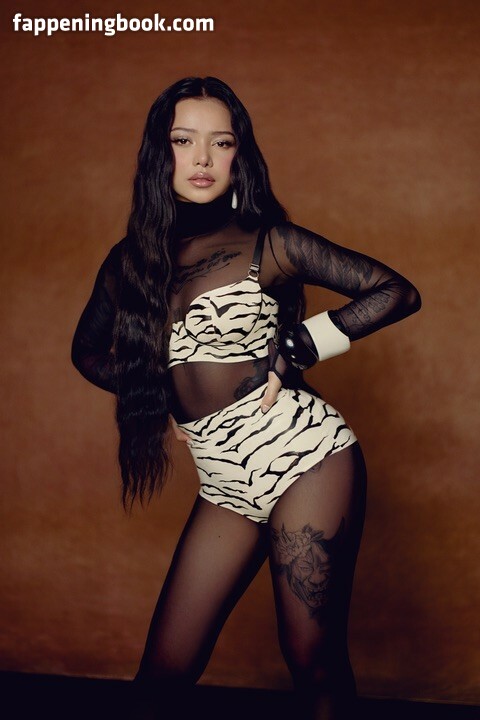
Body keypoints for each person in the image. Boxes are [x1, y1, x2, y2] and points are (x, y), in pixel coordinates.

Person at [71, 76, 421, 719]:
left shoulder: (268, 241)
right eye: (183, 140)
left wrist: (301, 346)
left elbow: (396, 292)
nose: (203, 158)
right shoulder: (129, 263)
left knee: (311, 659)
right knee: (162, 676)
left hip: (305, 458)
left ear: (239, 155)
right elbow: (87, 352)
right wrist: (151, 386)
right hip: (222, 480)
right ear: (159, 153)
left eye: (221, 142)